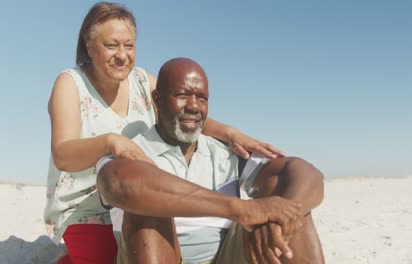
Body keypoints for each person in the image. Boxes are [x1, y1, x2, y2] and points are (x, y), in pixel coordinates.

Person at [44, 3, 285, 263]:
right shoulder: (70, 84)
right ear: (90, 47)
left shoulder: (141, 80)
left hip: (138, 194)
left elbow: (182, 110)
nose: (122, 55)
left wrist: (229, 133)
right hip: (87, 207)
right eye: (111, 45)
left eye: (129, 45)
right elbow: (62, 154)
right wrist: (111, 142)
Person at [97, 58, 325, 264]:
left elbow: (305, 173)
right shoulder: (132, 149)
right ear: (157, 100)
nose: (194, 106)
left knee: (292, 206)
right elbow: (118, 184)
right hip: (160, 255)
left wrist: (278, 220)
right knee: (146, 203)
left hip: (228, 255)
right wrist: (241, 209)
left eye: (202, 98)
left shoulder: (226, 152)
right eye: (183, 95)